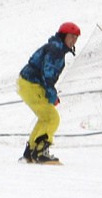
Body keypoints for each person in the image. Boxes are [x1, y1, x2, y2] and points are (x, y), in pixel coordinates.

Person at [18, 22, 78, 164]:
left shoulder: (56, 48)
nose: (74, 40)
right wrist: (52, 95)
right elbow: (48, 74)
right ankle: (40, 152)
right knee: (52, 118)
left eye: (76, 38)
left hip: (28, 83)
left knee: (45, 117)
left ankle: (31, 152)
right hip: (32, 84)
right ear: (63, 36)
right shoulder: (56, 50)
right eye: (71, 36)